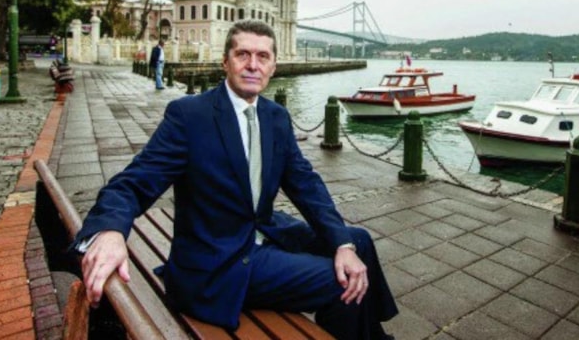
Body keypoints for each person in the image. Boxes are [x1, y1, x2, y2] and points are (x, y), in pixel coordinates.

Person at [72, 20, 398, 339]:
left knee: (357, 241)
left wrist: (342, 244)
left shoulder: (276, 117)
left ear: (273, 67)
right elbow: (133, 182)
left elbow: (306, 185)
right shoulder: (189, 115)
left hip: (262, 233)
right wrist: (111, 230)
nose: (252, 65)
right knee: (344, 279)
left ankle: (370, 331)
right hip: (218, 263)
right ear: (225, 62)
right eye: (243, 54)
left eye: (263, 56)